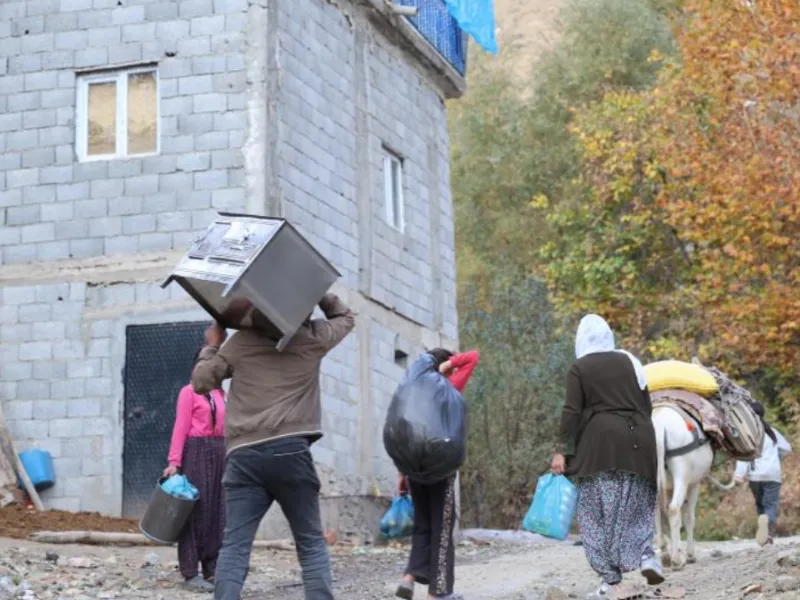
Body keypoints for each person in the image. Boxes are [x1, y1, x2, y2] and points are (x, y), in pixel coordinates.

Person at [191, 293, 355, 600]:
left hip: (244, 455)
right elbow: (346, 318)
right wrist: (318, 291)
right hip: (291, 451)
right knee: (310, 543)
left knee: (235, 545)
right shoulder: (312, 337)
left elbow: (201, 382)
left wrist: (212, 343)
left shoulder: (241, 342)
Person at [551, 315, 663, 599]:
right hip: (641, 440)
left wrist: (561, 449)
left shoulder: (580, 368)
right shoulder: (630, 361)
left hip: (601, 445)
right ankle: (646, 556)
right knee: (636, 504)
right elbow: (647, 405)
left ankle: (610, 579)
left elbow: (572, 411)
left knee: (596, 513)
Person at [395, 348, 480, 600]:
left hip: (414, 467)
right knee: (442, 528)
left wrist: (401, 473)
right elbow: (473, 357)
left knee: (423, 525)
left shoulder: (413, 393)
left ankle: (409, 578)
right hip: (439, 468)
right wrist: (448, 366)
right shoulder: (446, 388)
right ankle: (437, 593)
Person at [163, 359, 227, 593]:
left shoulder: (221, 394)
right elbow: (180, 427)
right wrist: (174, 461)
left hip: (220, 451)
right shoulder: (188, 392)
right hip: (196, 451)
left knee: (218, 510)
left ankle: (212, 568)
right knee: (195, 510)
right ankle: (190, 572)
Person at [734, 401, 792, 546]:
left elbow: (744, 456)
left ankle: (763, 529)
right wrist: (775, 456)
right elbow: (787, 448)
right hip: (772, 475)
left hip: (755, 476)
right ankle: (768, 535)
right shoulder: (771, 432)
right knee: (770, 505)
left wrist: (739, 475)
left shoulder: (748, 434)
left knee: (761, 505)